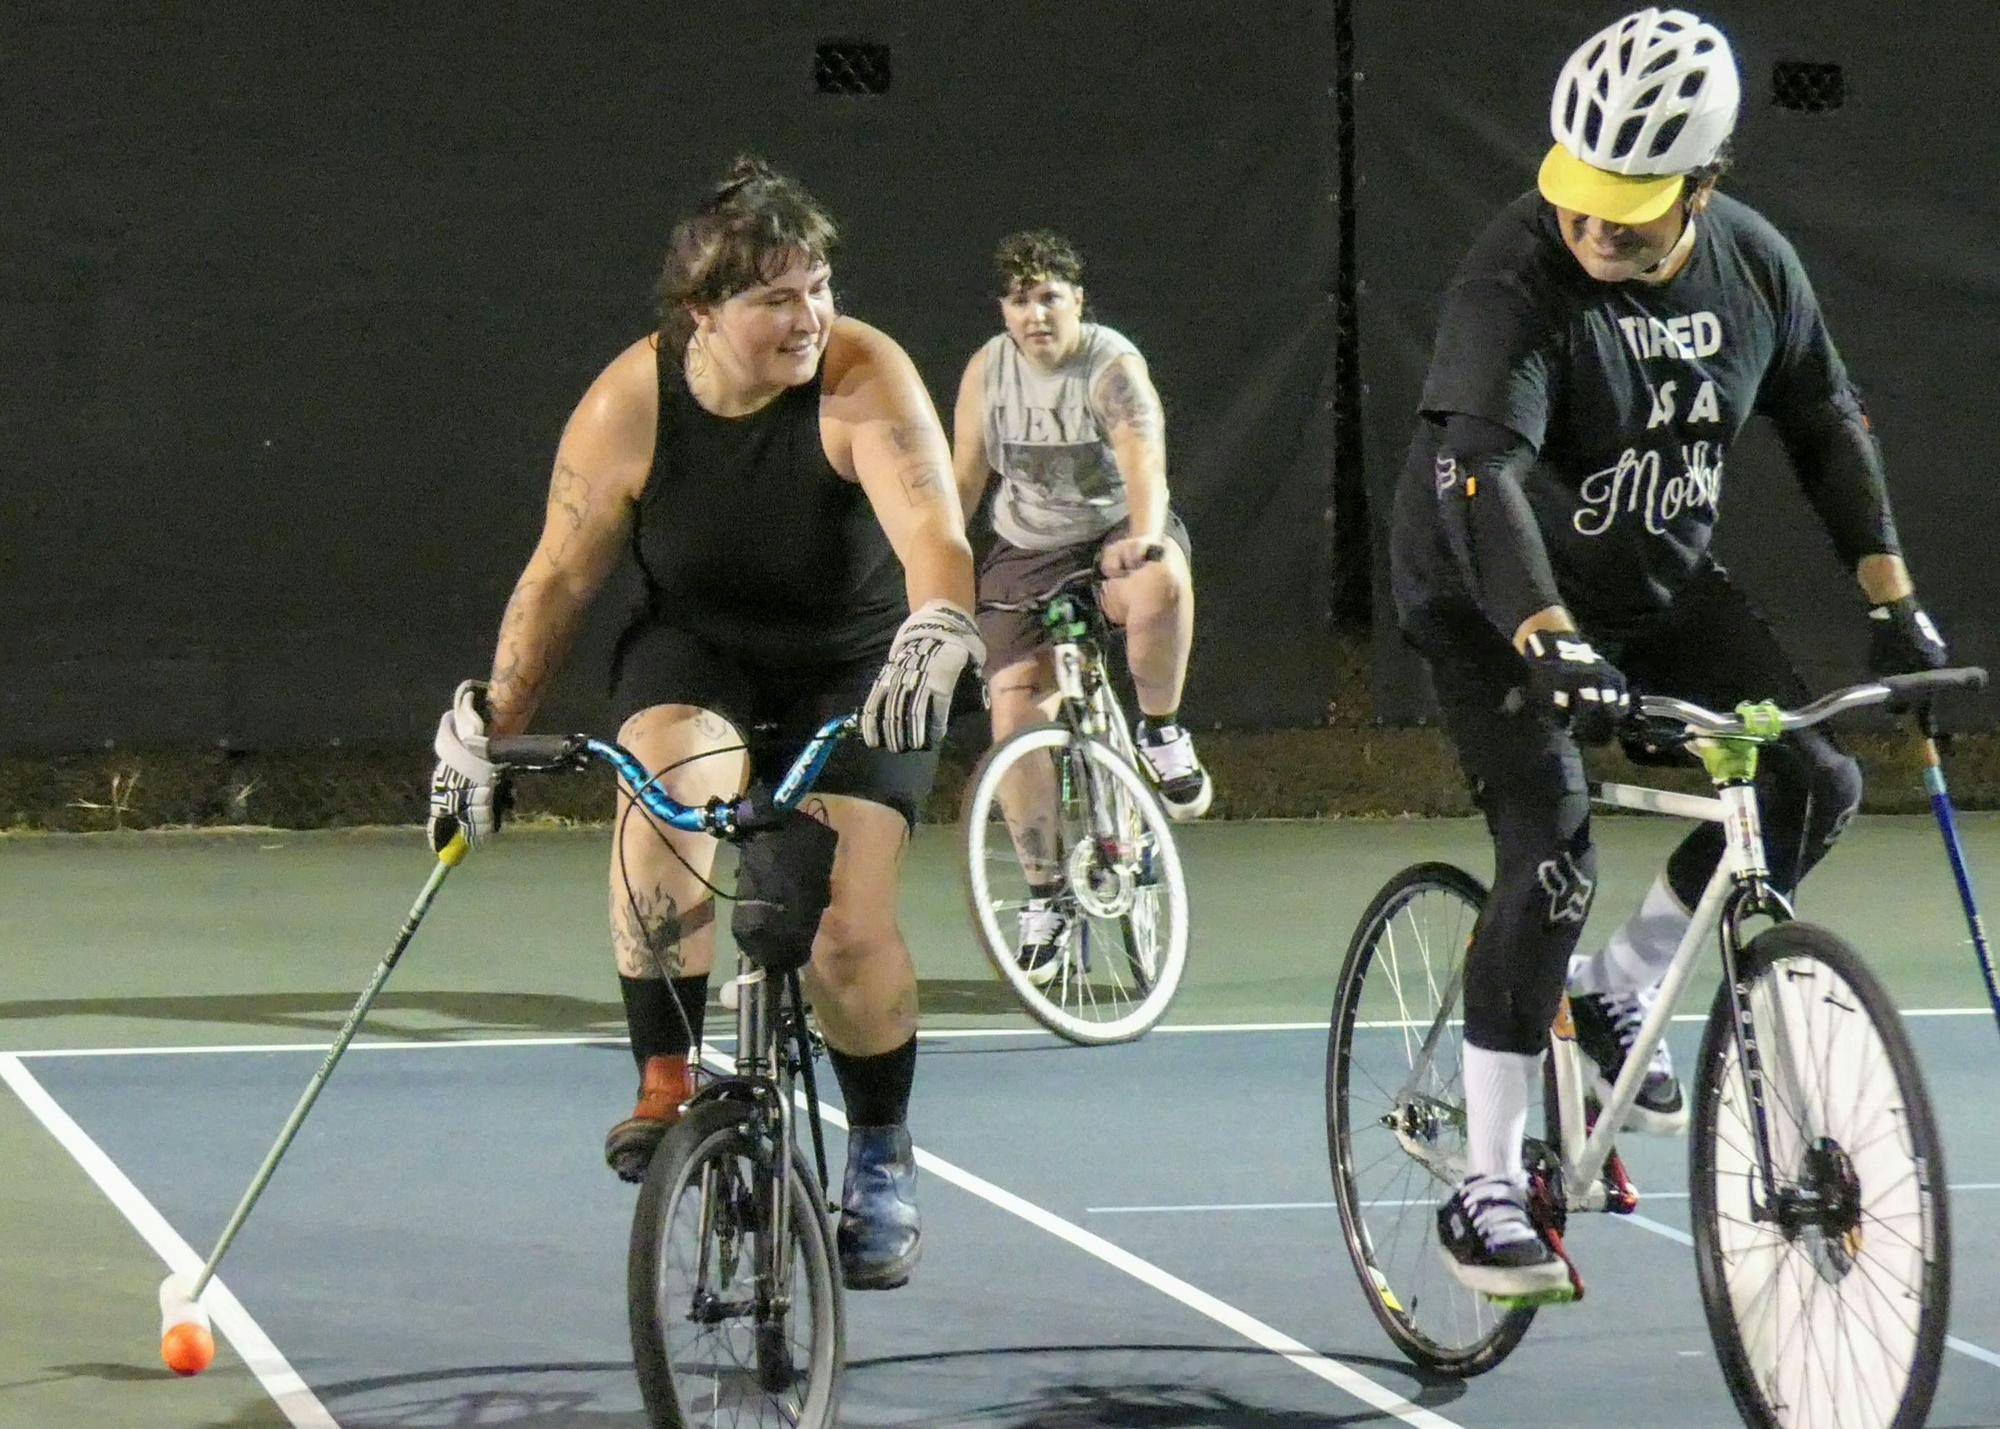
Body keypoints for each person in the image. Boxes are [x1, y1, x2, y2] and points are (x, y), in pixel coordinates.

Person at [1389, 8, 1950, 1299]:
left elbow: (1823, 419)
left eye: (1629, 211)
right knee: (1552, 850)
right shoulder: (1514, 275)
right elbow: (1479, 473)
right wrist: (1550, 639)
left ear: (1705, 182)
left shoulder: (1753, 268)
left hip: (1656, 580)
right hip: (1491, 596)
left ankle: (1620, 985)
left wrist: (1892, 600)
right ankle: (1488, 1182)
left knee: (1812, 783)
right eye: (1582, 202)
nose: (1596, 231)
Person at [426, 156, 981, 1292]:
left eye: (818, 286)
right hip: (703, 647)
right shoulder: (630, 403)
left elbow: (936, 536)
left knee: (837, 923)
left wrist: (940, 623)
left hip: (864, 663)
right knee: (661, 796)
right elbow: (558, 579)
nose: (808, 317)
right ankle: (664, 1077)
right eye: (775, 298)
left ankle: (877, 1151)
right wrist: (490, 729)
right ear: (701, 315)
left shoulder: (863, 374)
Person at [951, 230, 1210, 981]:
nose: (1036, 314)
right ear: (1004, 309)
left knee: (1162, 582)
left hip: (1111, 535)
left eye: (1050, 298)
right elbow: (965, 478)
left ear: (1078, 301)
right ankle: (1047, 896)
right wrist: (940, 569)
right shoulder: (987, 373)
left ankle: (1160, 731)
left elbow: (1144, 460)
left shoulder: (1110, 366)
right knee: (1013, 716)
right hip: (1024, 551)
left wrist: (1146, 536)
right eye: (1020, 300)